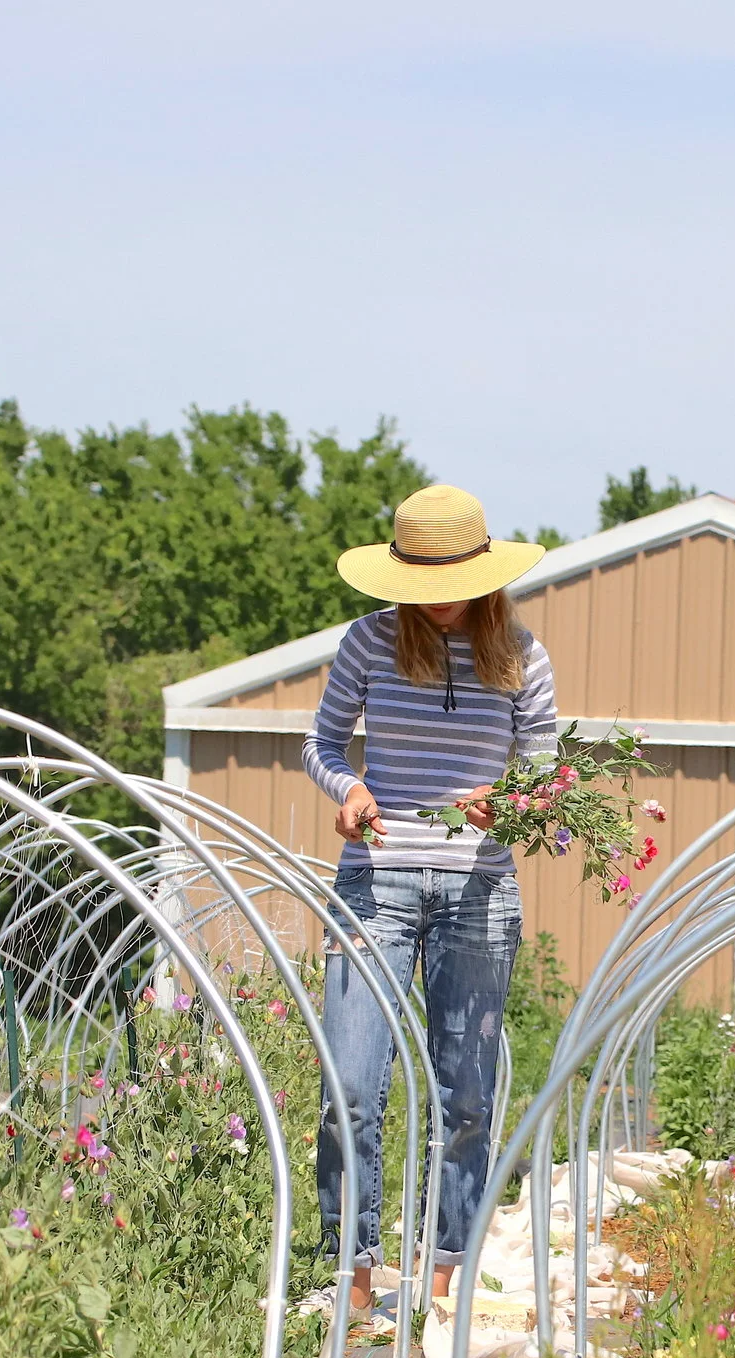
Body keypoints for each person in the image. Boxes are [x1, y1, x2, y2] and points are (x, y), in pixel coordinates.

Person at [304, 483, 556, 1312]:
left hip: (477, 890)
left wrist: (511, 803)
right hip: (375, 882)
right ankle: (352, 1275)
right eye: (423, 582)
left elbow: (548, 780)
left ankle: (446, 1278)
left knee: (466, 1094)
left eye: (452, 581)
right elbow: (321, 743)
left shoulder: (521, 656)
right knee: (349, 1085)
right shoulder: (369, 642)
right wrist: (349, 790)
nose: (438, 598)